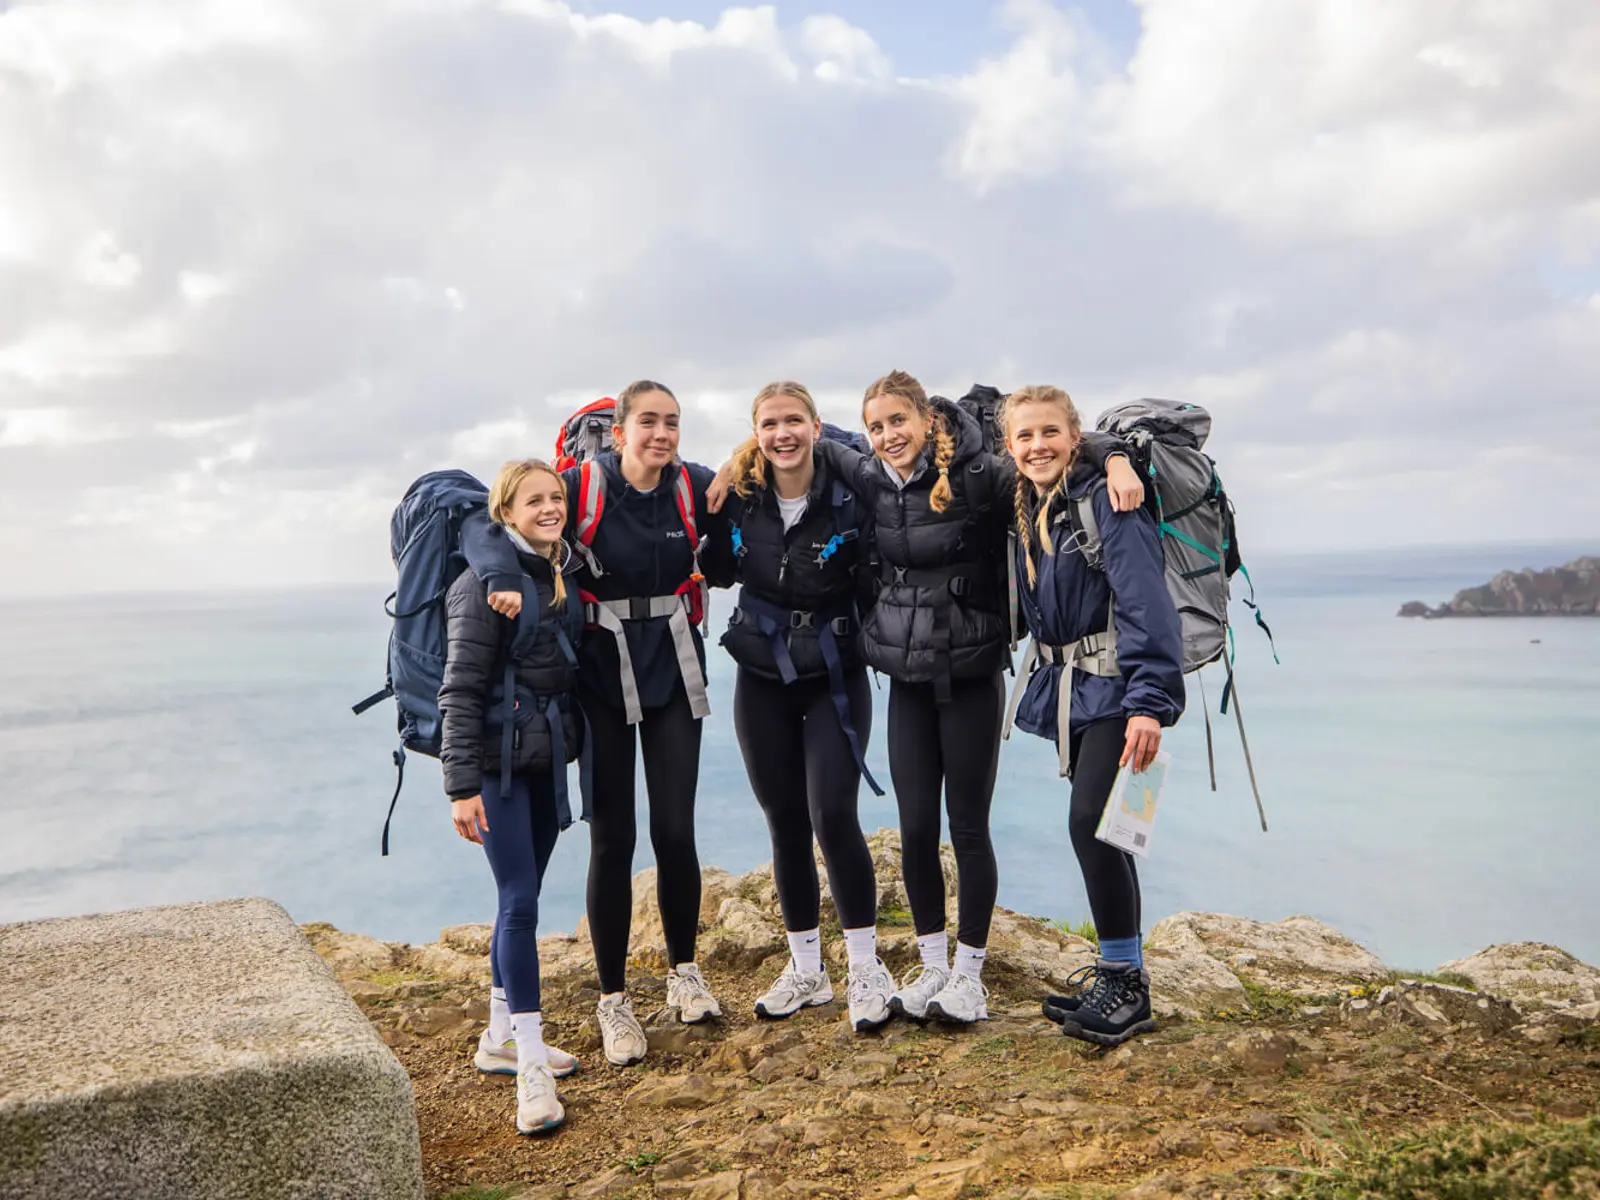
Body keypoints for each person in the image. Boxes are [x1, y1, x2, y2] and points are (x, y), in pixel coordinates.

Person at [802, 372, 1146, 1025]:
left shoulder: (983, 473)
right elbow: (813, 440)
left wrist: (1117, 457)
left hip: (972, 677)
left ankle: (968, 976)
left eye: (898, 421)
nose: (888, 435)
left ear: (926, 418)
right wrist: (738, 463)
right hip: (907, 680)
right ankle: (932, 966)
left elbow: (1057, 449)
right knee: (915, 829)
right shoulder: (872, 474)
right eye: (876, 426)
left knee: (967, 828)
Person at [462, 381, 728, 1068]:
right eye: (648, 422)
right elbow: (485, 526)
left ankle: (684, 971)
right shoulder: (581, 485)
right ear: (619, 429)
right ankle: (613, 999)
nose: (661, 434)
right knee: (613, 838)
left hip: (675, 666)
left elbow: (755, 485)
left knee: (675, 830)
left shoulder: (691, 485)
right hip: (601, 676)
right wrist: (496, 575)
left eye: (672, 422)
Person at [698, 381, 896, 1032]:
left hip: (835, 672)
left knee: (833, 813)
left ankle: (865, 968)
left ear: (815, 425)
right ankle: (808, 970)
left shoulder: (849, 491)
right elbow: (719, 569)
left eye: (794, 421)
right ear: (754, 431)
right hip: (760, 675)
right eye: (769, 424)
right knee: (784, 821)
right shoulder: (742, 495)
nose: (782, 434)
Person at [997, 385, 1185, 1047]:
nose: (1037, 446)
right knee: (1111, 830)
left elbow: (1146, 602)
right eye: (1024, 436)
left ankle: (1126, 986)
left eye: (1050, 432)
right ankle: (1120, 975)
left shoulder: (1110, 500)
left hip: (1119, 692)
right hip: (1079, 694)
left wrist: (1149, 705)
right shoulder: (1033, 503)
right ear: (1009, 446)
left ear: (1075, 437)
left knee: (1093, 826)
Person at [439, 458, 586, 1133]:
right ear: (505, 513)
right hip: (495, 773)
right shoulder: (480, 586)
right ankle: (529, 1063)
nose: (550, 508)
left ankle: (498, 1037)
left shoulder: (558, 571)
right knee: (520, 903)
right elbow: (460, 690)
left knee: (516, 901)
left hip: (544, 762)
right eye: (535, 501)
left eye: (557, 497)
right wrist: (461, 787)